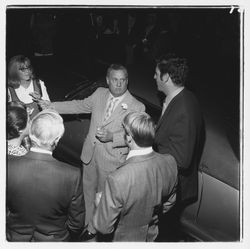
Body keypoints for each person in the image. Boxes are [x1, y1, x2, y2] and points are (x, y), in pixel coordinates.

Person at [38, 64, 145, 240]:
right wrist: (50, 106)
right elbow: (78, 105)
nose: (119, 84)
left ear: (127, 81)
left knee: (104, 200)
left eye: (123, 80)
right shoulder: (99, 94)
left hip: (112, 162)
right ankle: (89, 226)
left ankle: (98, 230)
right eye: (115, 80)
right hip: (90, 155)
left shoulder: (137, 107)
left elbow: (138, 137)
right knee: (88, 194)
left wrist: (112, 137)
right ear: (108, 80)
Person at [93, 111, 178, 241]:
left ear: (129, 138)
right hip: (151, 236)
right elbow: (168, 204)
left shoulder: (118, 178)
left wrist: (100, 204)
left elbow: (103, 227)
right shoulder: (170, 162)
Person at [7, 110, 85, 241]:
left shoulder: (8, 165)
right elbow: (77, 223)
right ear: (57, 139)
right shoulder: (72, 174)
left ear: (31, 134)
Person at [153, 55, 205, 240]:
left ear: (166, 77)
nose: (154, 77)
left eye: (157, 73)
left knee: (164, 234)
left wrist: (148, 153)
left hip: (175, 188)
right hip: (173, 184)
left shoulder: (184, 108)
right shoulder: (181, 97)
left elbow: (182, 160)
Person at [7, 55, 50, 119]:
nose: (27, 71)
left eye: (28, 68)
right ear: (14, 71)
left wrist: (40, 100)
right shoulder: (9, 89)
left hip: (38, 124)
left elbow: (49, 108)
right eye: (22, 69)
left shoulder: (39, 83)